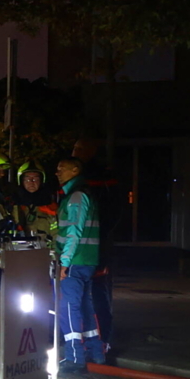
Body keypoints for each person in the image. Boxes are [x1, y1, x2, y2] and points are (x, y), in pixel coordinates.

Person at [55, 157, 105, 373]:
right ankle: (96, 353)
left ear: (75, 169)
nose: (57, 173)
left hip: (75, 261)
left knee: (68, 307)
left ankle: (74, 358)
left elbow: (73, 231)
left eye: (61, 168)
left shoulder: (76, 196)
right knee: (85, 306)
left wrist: (64, 263)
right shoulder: (81, 194)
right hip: (86, 260)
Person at [71, 138, 119, 355]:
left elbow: (111, 214)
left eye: (80, 147)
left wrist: (101, 246)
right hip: (78, 253)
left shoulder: (101, 177)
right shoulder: (75, 180)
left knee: (97, 296)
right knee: (77, 298)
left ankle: (103, 342)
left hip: (95, 250)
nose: (75, 150)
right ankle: (83, 342)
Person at [16, 161, 57, 243]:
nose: (31, 182)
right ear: (21, 181)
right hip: (17, 252)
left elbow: (56, 233)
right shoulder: (13, 205)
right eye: (27, 179)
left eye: (35, 179)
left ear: (42, 181)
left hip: (43, 251)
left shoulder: (50, 206)